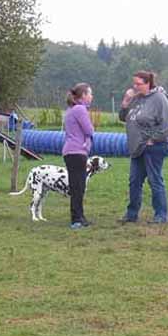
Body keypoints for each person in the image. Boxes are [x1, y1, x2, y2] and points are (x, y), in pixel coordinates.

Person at [118, 70, 168, 224]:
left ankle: (161, 215)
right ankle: (131, 214)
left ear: (148, 83)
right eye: (133, 83)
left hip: (154, 146)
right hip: (137, 147)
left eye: (138, 84)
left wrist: (153, 140)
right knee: (134, 181)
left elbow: (166, 124)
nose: (135, 86)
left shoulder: (159, 99)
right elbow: (123, 117)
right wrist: (126, 101)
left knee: (154, 180)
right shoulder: (136, 98)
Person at [62, 83, 95, 230]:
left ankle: (80, 217)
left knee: (77, 186)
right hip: (77, 151)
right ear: (83, 96)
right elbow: (89, 130)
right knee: (78, 187)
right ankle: (76, 219)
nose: (91, 96)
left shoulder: (70, 110)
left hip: (70, 151)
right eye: (90, 94)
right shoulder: (80, 109)